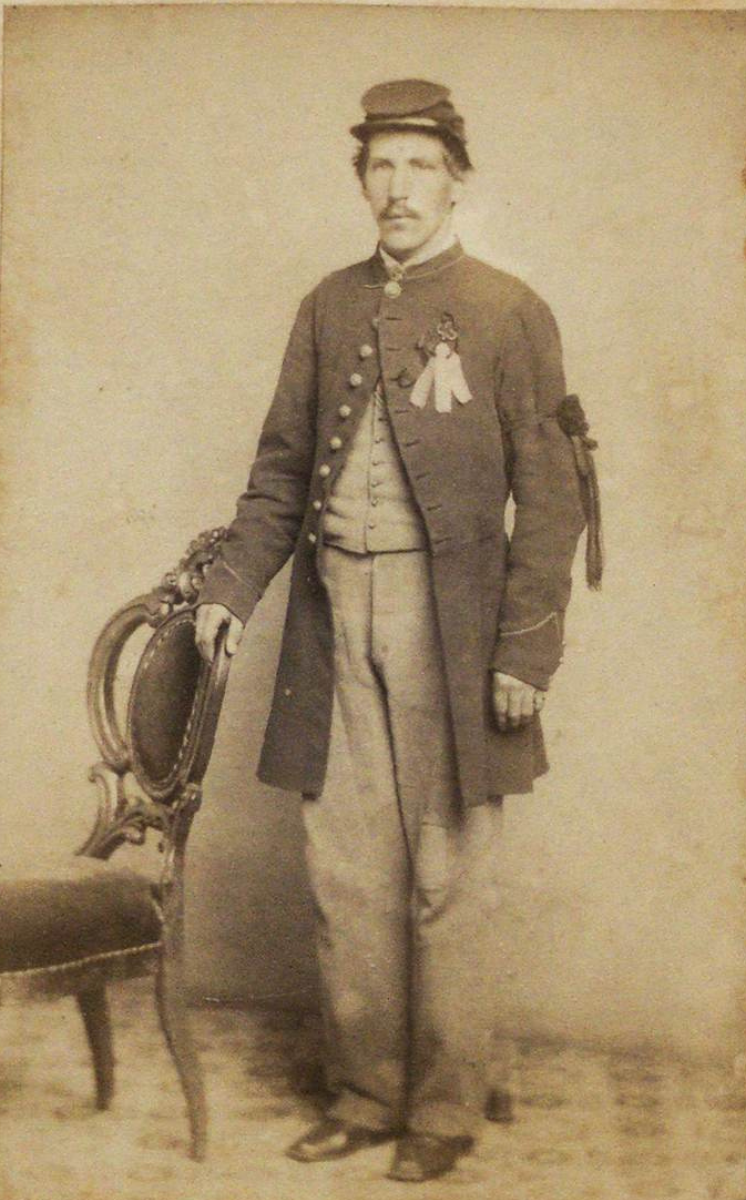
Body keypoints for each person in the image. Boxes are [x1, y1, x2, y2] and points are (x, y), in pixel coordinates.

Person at [195, 79, 598, 1183]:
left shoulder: (511, 311)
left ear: (456, 179)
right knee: (346, 874)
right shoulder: (326, 306)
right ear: (360, 179)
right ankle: (367, 1094)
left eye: (420, 165)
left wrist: (522, 654)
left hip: (450, 624)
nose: (397, 187)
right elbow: (279, 473)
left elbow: (550, 500)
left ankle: (443, 1110)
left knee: (446, 874)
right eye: (380, 165)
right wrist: (233, 589)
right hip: (332, 620)